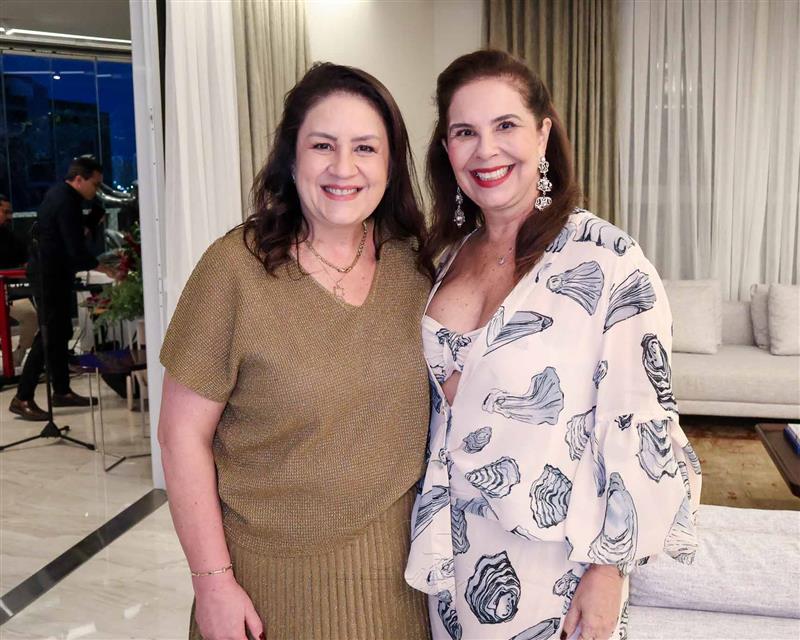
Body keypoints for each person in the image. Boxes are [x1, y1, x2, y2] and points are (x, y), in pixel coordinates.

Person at [405, 50, 702, 640]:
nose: (485, 150)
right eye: (465, 132)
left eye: (506, 125)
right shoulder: (444, 255)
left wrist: (609, 569)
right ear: (446, 148)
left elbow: (642, 423)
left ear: (543, 133)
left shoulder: (609, 261)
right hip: (447, 549)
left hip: (553, 562)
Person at [158, 63, 434, 640]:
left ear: (390, 165)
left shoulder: (419, 268)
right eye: (322, 145)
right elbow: (181, 436)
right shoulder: (234, 268)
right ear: (291, 158)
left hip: (397, 585)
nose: (343, 167)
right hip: (263, 587)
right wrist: (212, 582)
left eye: (365, 147)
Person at [9, 157, 111, 421]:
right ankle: (22, 397)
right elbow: (73, 248)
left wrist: (90, 224)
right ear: (79, 179)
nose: (96, 190)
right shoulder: (65, 201)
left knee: (61, 330)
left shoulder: (65, 198)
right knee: (49, 334)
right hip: (48, 274)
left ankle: (62, 391)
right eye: (95, 184)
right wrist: (102, 266)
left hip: (55, 273)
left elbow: (71, 237)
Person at [0, 194, 37, 368]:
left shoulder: (10, 235)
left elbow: (25, 259)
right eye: (5, 212)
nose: (9, 217)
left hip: (9, 291)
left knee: (31, 316)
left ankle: (18, 356)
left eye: (10, 212)